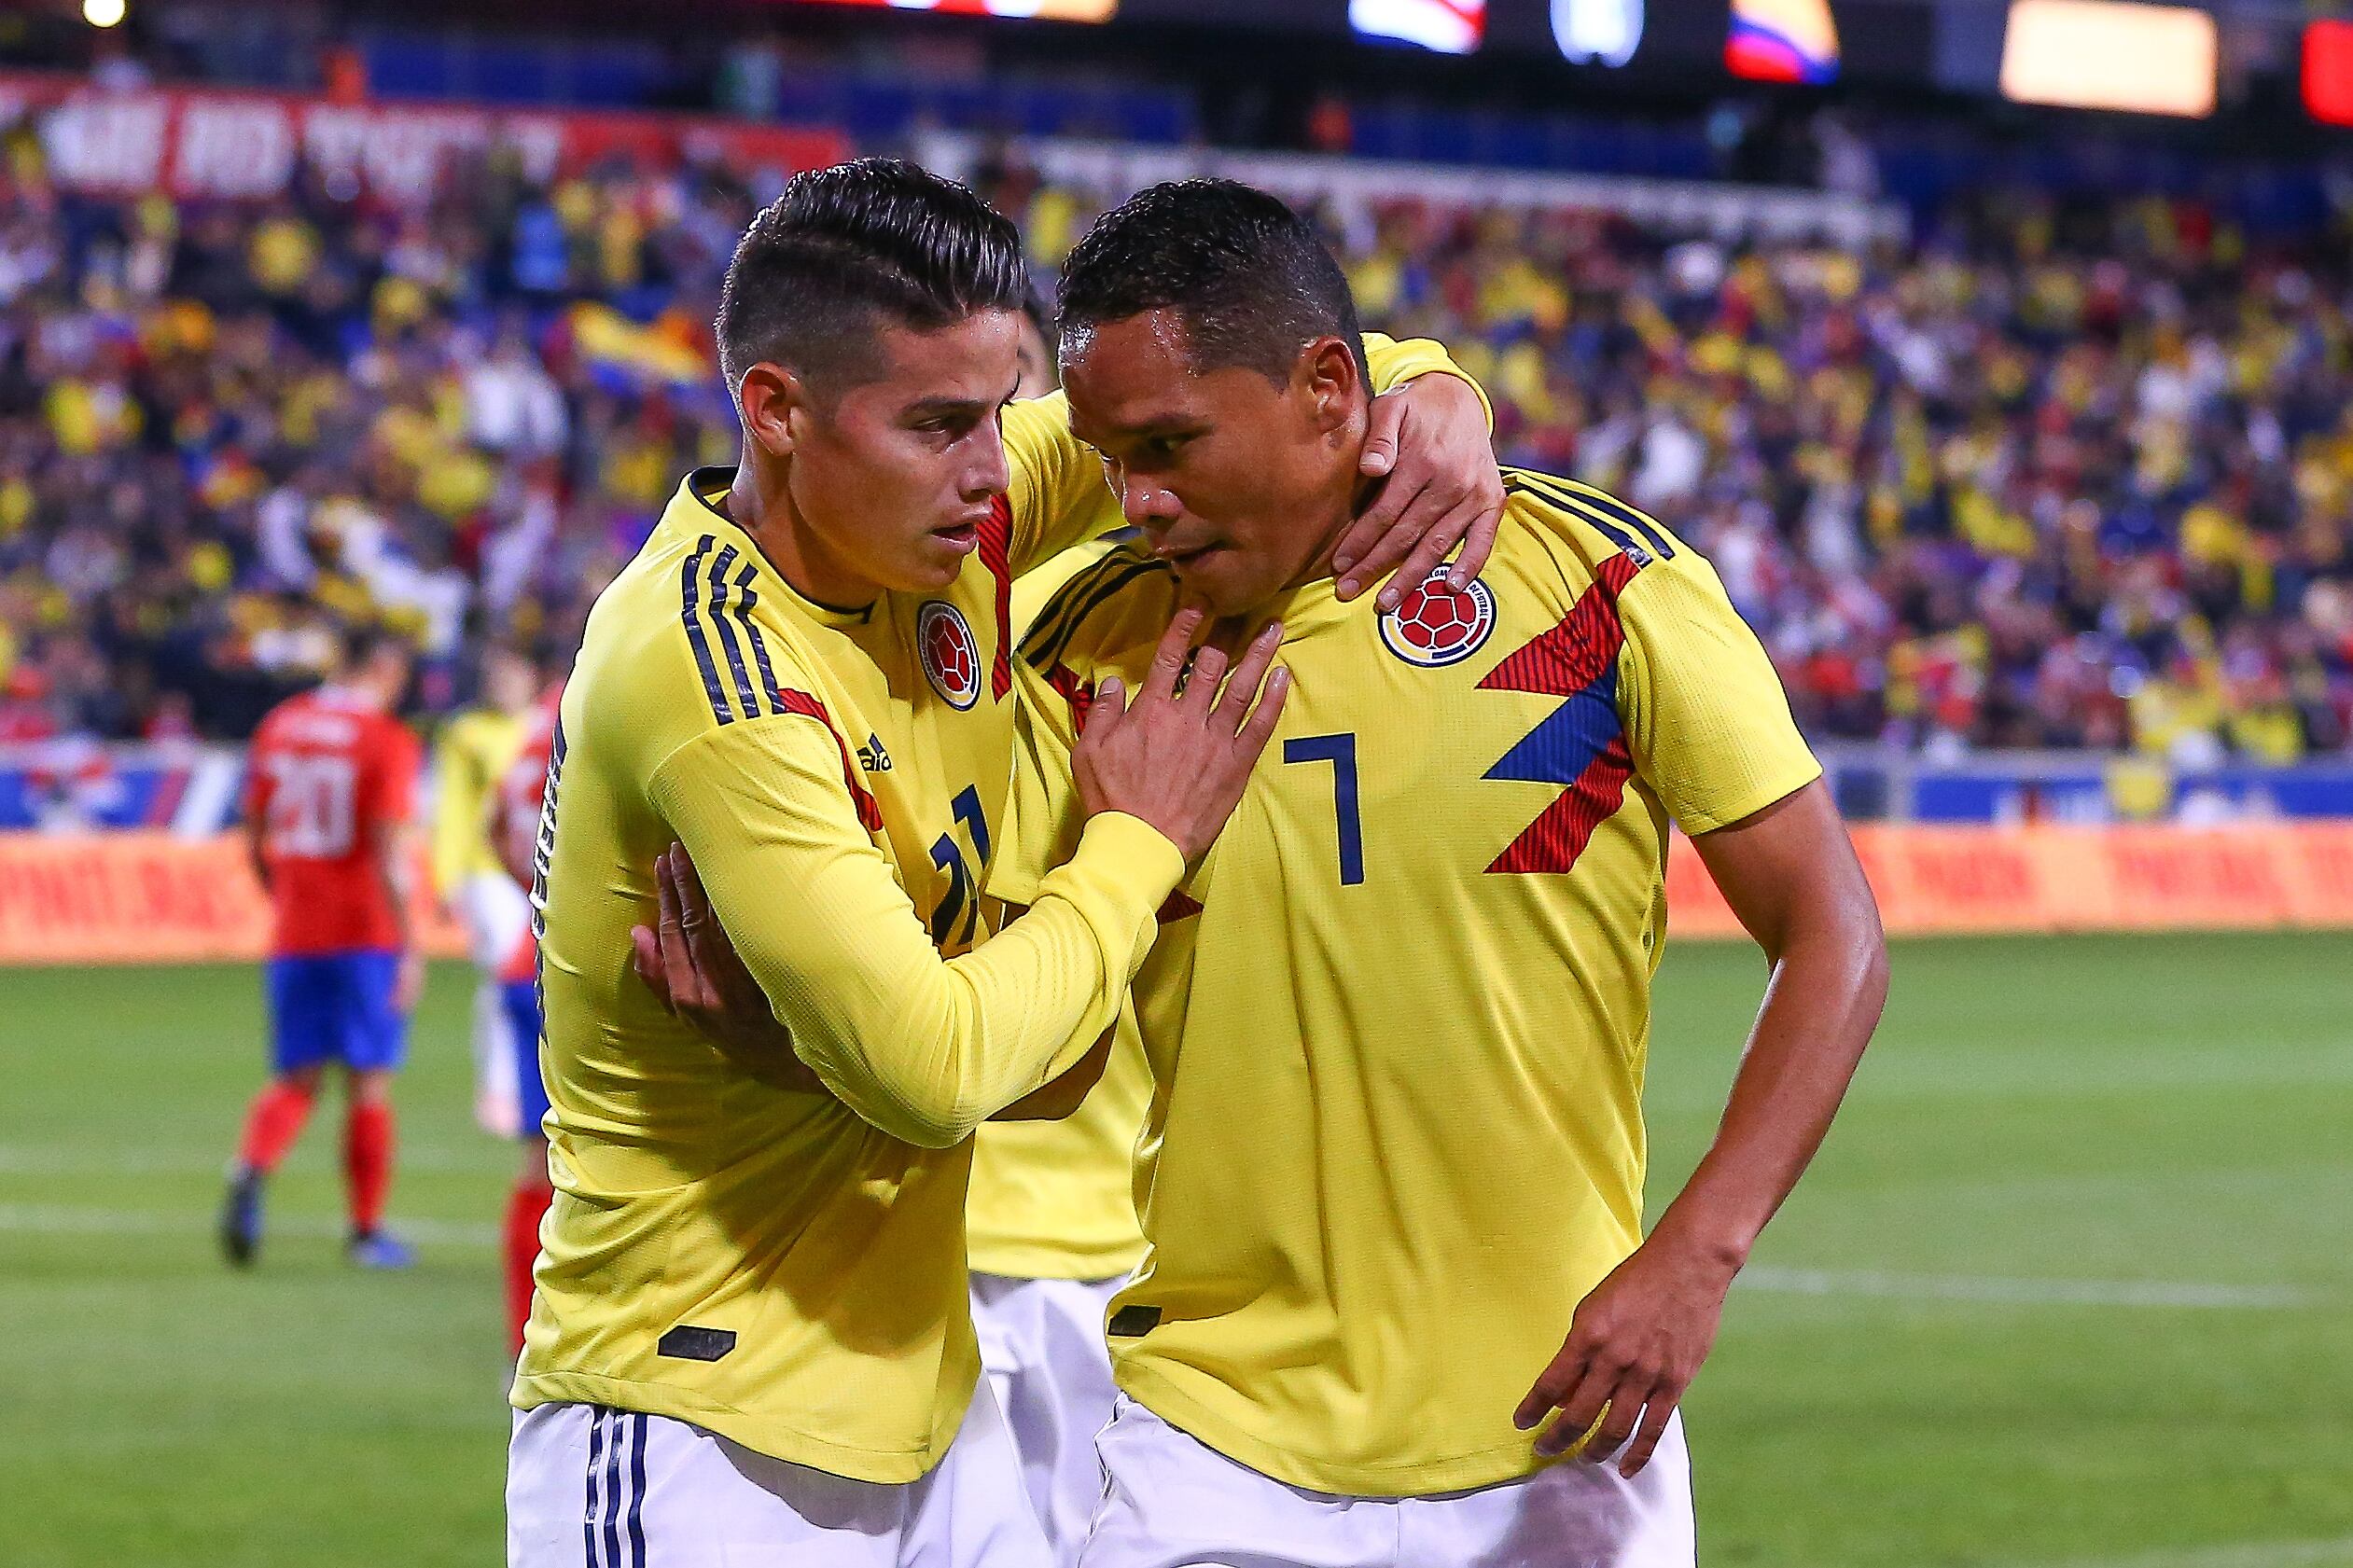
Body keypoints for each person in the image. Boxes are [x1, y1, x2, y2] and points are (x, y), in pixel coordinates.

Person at [641, 177, 1889, 1567]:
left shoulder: (1593, 583)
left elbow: (1828, 927)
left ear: (1325, 391)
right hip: (1207, 1450)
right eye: (1112, 459)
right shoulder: (1078, 655)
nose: (1137, 501)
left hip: (1563, 1432)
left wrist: (1695, 1255)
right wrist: (814, 1043)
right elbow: (1046, 1065)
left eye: (1170, 445)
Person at [504, 159, 1496, 1568]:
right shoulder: (715, 670)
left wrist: (1434, 385)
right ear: (775, 411)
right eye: (935, 424)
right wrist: (1138, 840)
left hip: (920, 1405)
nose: (989, 470)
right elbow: (936, 1069)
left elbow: (1256, 374)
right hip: (698, 1421)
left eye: (995, 413)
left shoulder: (938, 536)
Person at [221, 624, 425, 1271]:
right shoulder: (384, 738)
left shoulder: (281, 724)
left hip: (296, 928)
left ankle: (251, 1167)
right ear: (383, 669)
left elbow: (253, 831)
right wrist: (411, 942)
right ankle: (366, 1231)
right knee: (368, 1082)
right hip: (364, 930)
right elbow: (388, 850)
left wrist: (281, 894)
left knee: (297, 1077)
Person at [429, 640, 539, 1138]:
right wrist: (446, 874)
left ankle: (533, 1079)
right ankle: (500, 1086)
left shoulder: (547, 723)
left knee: (532, 975)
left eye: (511, 675)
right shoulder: (467, 733)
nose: (503, 686)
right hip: (488, 869)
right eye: (496, 677)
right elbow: (452, 806)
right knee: (507, 971)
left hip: (542, 870)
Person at [491, 666, 565, 1353]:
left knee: (538, 1162)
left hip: (526, 960)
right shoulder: (599, 718)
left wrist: (534, 896)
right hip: (578, 971)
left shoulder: (529, 737)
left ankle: (526, 1335)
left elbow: (496, 829)